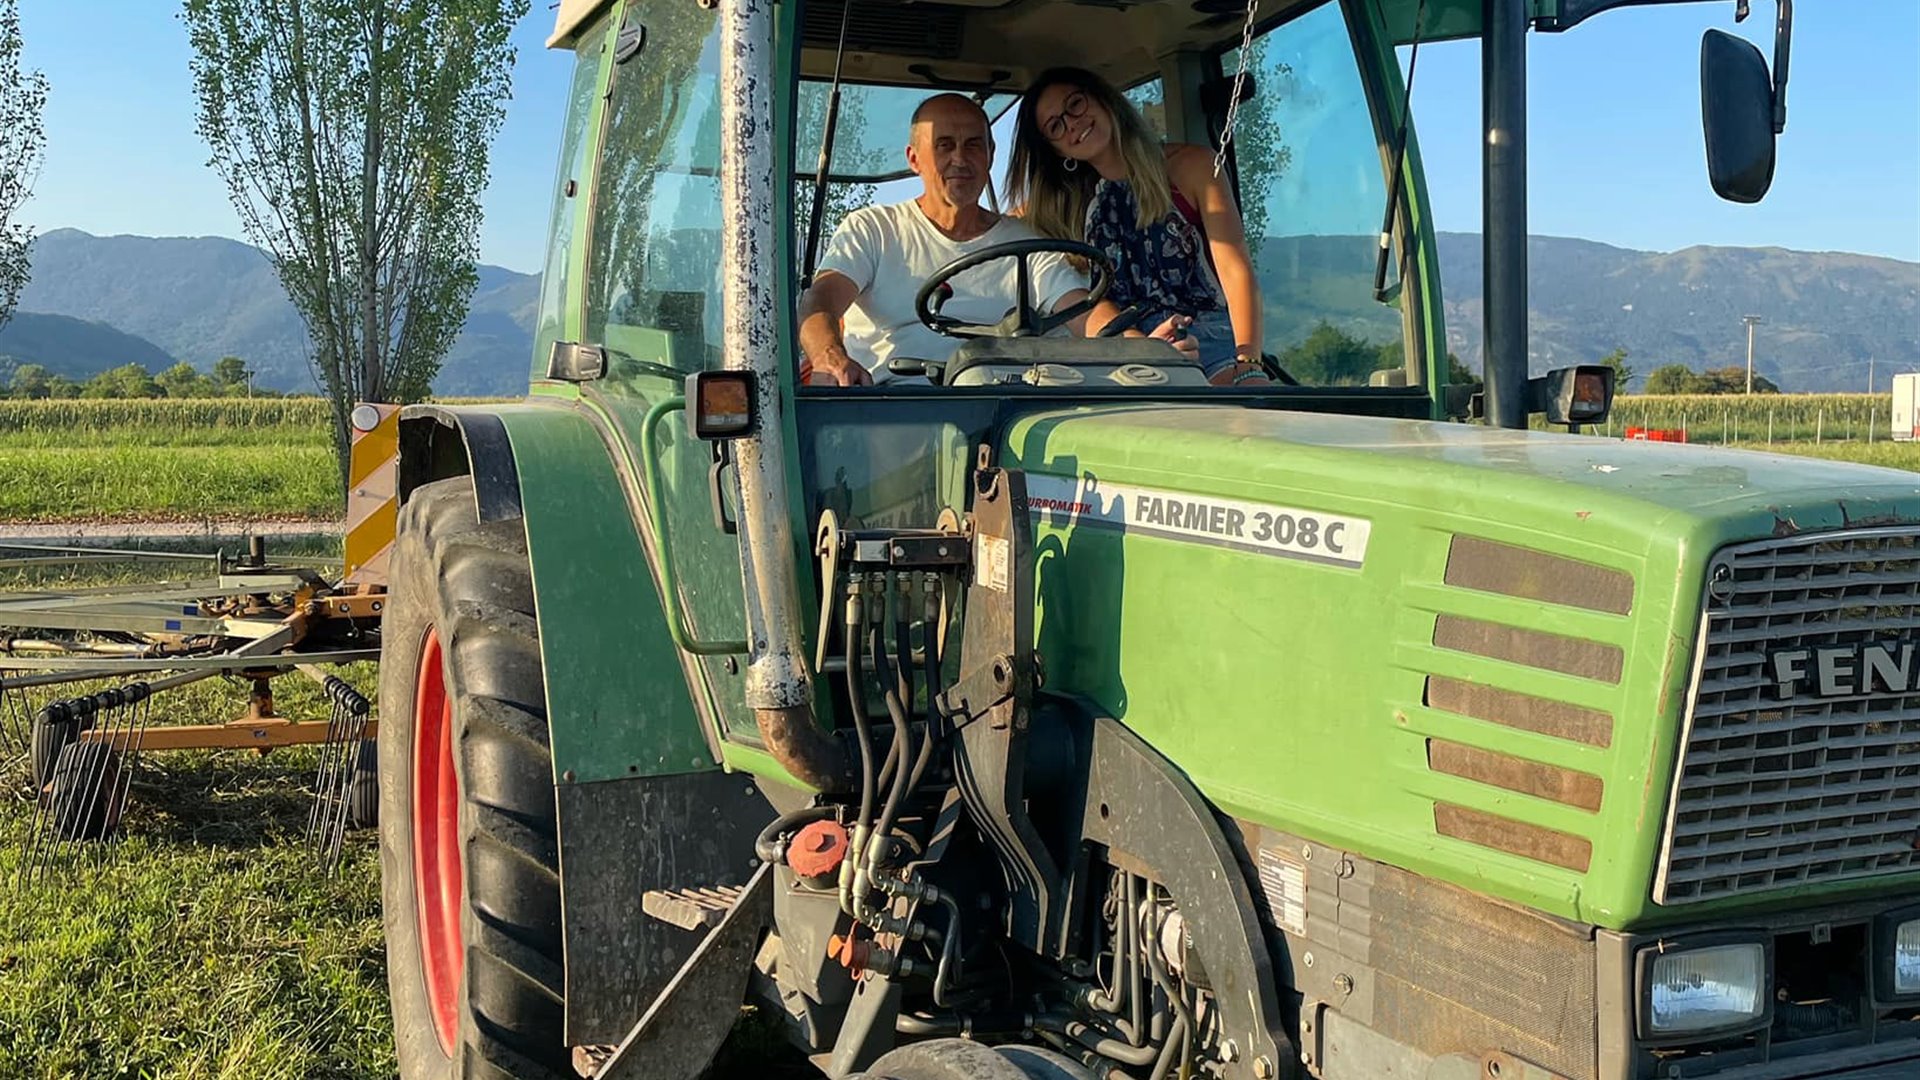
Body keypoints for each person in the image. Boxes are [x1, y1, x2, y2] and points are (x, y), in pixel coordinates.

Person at [798, 93, 1194, 386]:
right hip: (900, 407)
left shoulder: (1027, 242)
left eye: (973, 145)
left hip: (1003, 403)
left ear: (990, 154)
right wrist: (830, 357)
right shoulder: (872, 229)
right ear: (914, 159)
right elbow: (820, 303)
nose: (960, 159)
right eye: (944, 145)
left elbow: (1082, 312)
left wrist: (1142, 349)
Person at [1006, 67, 1268, 386]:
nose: (1072, 123)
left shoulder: (1193, 166)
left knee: (1248, 403)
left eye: (1074, 104)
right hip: (1123, 356)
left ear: (1102, 98)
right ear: (1057, 151)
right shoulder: (1058, 210)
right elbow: (992, 229)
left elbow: (1234, 269)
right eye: (1055, 126)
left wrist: (1248, 362)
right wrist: (1145, 350)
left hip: (1206, 339)